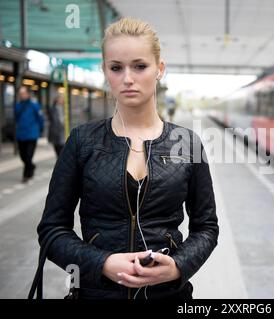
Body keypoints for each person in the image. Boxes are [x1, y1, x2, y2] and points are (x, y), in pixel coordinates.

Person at [36, 17, 219, 299]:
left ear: (160, 69)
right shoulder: (83, 141)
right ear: (105, 71)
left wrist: (177, 267)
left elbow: (206, 227)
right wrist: (102, 264)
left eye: (140, 66)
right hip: (95, 294)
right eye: (116, 68)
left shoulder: (187, 143)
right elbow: (52, 230)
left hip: (168, 295)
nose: (128, 78)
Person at [14, 86, 44, 183]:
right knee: (22, 156)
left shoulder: (34, 105)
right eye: (20, 93)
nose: (21, 95)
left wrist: (40, 129)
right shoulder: (17, 106)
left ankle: (26, 175)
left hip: (32, 134)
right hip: (21, 135)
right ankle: (31, 166)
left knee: (28, 156)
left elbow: (40, 118)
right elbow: (16, 118)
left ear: (28, 94)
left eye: (23, 93)